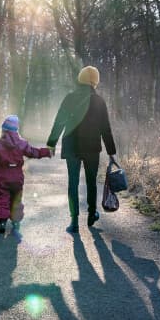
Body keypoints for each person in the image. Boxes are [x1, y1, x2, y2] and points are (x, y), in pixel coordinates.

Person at [46, 66, 117, 233]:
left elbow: (59, 122)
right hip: (92, 148)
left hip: (72, 146)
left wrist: (51, 143)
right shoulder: (99, 101)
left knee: (73, 183)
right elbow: (106, 128)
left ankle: (74, 222)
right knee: (92, 182)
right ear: (95, 81)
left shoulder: (69, 98)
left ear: (80, 79)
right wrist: (111, 151)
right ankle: (92, 215)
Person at [0, 115, 51, 235]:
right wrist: (46, 152)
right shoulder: (22, 144)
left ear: (3, 130)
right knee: (16, 199)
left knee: (2, 197)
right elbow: (33, 152)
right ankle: (15, 222)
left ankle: (2, 222)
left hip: (2, 176)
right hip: (17, 177)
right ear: (16, 130)